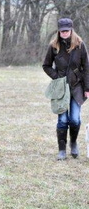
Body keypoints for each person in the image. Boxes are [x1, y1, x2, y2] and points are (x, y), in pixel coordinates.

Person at [42, 18, 89, 160]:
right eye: (62, 31)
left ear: (71, 30)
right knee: (62, 120)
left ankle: (73, 143)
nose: (64, 33)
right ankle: (61, 150)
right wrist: (56, 77)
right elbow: (46, 65)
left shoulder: (80, 45)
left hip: (76, 87)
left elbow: (87, 67)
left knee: (74, 119)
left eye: (66, 30)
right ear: (59, 31)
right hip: (60, 89)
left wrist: (87, 87)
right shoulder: (54, 46)